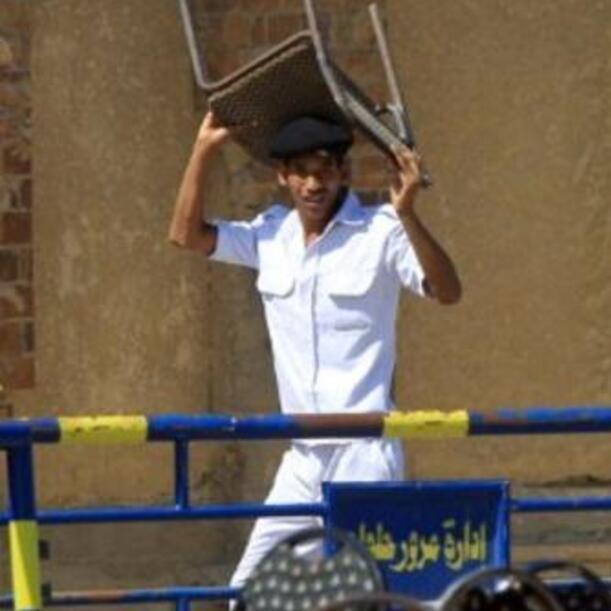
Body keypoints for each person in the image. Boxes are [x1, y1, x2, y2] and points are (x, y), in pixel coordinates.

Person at [167, 111, 461, 592]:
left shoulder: (381, 231)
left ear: (343, 173)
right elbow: (186, 234)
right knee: (250, 595)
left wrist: (408, 212)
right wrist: (203, 149)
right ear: (283, 177)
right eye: (300, 171)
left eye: (324, 170)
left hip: (365, 451)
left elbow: (447, 290)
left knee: (366, 596)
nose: (312, 183)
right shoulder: (271, 235)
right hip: (302, 457)